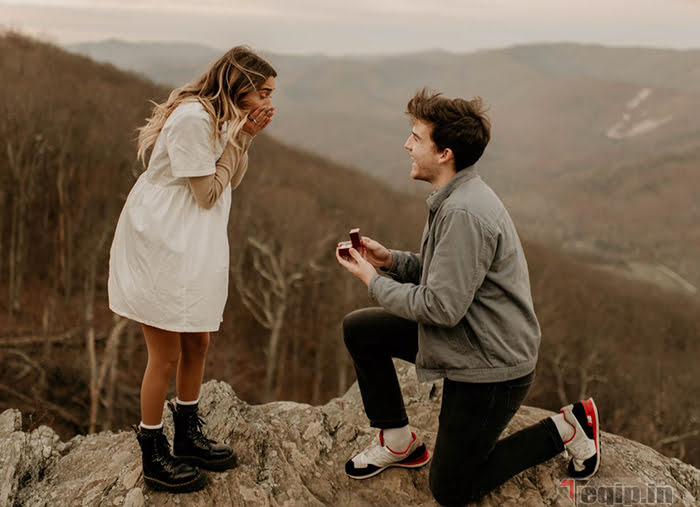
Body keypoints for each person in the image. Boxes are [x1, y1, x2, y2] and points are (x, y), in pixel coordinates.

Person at [335, 89, 600, 505]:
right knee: (362, 330)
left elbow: (440, 308)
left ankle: (568, 428)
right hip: (469, 335)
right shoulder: (457, 196)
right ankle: (399, 441)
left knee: (452, 489)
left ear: (445, 153)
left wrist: (372, 280)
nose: (407, 144)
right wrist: (392, 262)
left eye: (417, 138)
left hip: (491, 362)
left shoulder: (463, 212)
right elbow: (450, 277)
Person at [108, 46, 276, 493]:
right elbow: (207, 193)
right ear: (240, 86)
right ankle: (152, 452)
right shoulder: (193, 120)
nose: (267, 103)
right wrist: (240, 141)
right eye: (262, 92)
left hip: (192, 238)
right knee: (163, 353)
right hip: (164, 239)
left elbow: (230, 181)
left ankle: (186, 433)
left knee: (197, 339)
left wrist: (243, 139)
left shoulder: (220, 119)